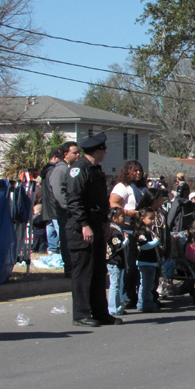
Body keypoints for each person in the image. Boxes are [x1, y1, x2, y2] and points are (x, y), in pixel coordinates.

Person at [65, 132, 120, 327]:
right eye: (103, 150)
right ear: (97, 151)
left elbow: (101, 201)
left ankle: (99, 312)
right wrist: (84, 225)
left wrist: (106, 223)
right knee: (83, 271)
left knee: (98, 270)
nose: (105, 153)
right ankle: (81, 313)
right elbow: (74, 200)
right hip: (82, 227)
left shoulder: (96, 170)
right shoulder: (78, 170)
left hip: (97, 225)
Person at [109, 160, 146, 308]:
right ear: (127, 171)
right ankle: (124, 297)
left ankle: (134, 295)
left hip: (139, 230)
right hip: (126, 229)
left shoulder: (141, 188)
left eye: (139, 171)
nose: (138, 173)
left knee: (137, 266)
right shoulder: (122, 187)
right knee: (128, 265)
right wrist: (127, 212)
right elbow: (113, 203)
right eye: (134, 170)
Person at [51, 141, 80, 277]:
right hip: (66, 213)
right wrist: (70, 207)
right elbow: (59, 193)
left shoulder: (72, 169)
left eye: (78, 152)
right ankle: (69, 268)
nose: (78, 155)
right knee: (66, 238)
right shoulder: (60, 170)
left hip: (73, 212)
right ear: (65, 154)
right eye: (74, 153)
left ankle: (74, 267)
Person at [134, 208, 161, 313]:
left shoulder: (149, 230)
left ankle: (144, 302)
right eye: (150, 218)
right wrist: (155, 242)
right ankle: (145, 303)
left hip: (151, 261)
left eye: (154, 218)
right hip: (145, 261)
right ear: (143, 219)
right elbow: (143, 246)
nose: (153, 221)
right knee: (146, 284)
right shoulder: (142, 231)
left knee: (147, 283)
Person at [40, 147, 63, 254]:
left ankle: (52, 248)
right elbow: (54, 187)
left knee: (50, 227)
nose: (61, 159)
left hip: (47, 204)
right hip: (54, 203)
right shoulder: (53, 170)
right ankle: (62, 248)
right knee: (59, 228)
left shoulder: (45, 170)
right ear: (54, 158)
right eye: (59, 157)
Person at [106, 207, 127, 317]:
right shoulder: (114, 230)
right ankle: (113, 307)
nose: (124, 218)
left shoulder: (116, 229)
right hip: (114, 261)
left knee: (117, 284)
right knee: (114, 284)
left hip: (117, 261)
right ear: (114, 218)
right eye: (122, 216)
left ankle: (117, 306)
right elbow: (117, 246)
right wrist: (126, 241)